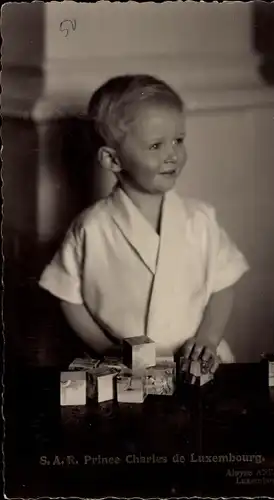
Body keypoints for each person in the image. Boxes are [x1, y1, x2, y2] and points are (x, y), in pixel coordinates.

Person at [39, 74, 249, 376]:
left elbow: (223, 283)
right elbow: (66, 295)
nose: (173, 154)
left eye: (178, 140)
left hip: (196, 364)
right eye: (155, 146)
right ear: (112, 160)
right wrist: (106, 349)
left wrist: (208, 338)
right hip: (127, 371)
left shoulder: (200, 218)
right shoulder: (92, 227)